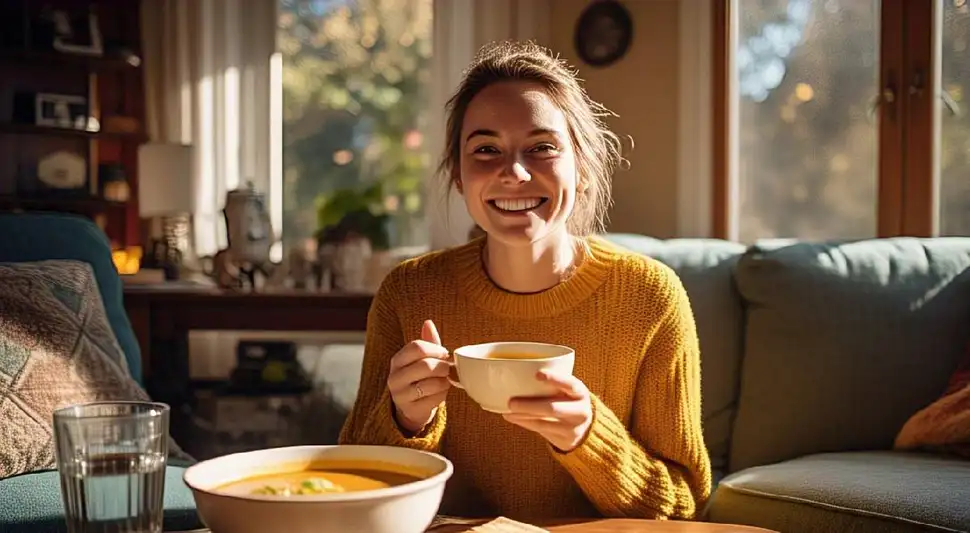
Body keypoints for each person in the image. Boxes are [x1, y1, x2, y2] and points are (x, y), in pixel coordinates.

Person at [338, 40, 712, 522]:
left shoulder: (650, 297)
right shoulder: (409, 292)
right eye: (486, 149)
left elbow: (683, 508)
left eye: (541, 148)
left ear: (582, 167)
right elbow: (354, 485)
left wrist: (588, 436)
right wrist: (406, 421)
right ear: (458, 174)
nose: (513, 172)